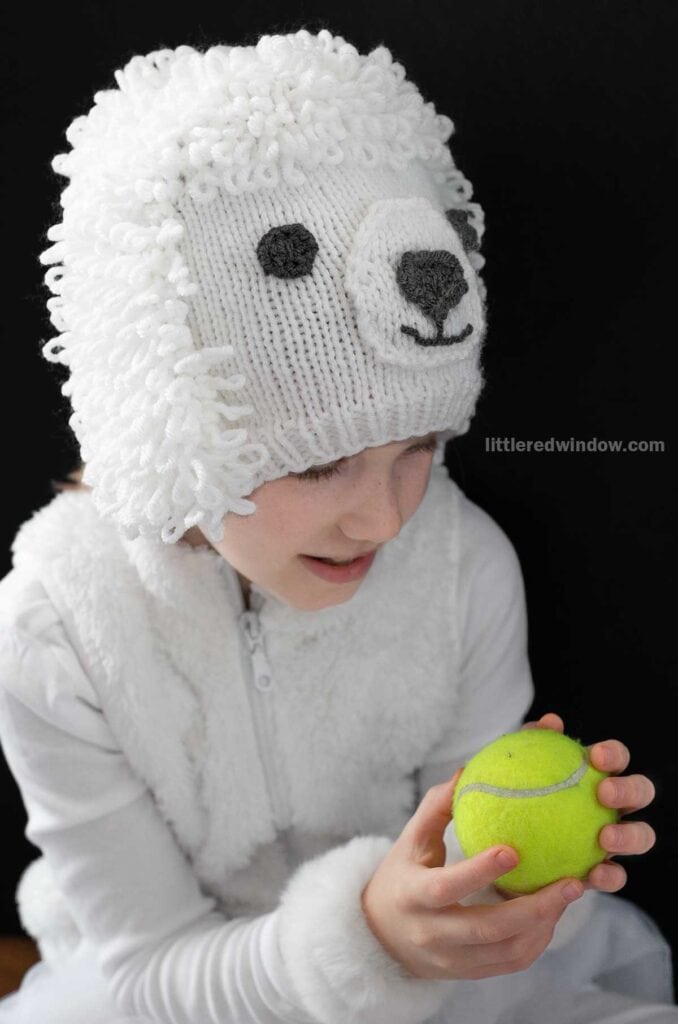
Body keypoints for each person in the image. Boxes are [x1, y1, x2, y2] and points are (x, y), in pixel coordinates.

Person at [0, 27, 675, 1024]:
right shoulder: (57, 626)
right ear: (173, 430)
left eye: (421, 445)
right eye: (319, 462)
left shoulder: (460, 567)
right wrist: (361, 934)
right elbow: (145, 970)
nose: (389, 514)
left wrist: (507, 892)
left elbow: (471, 884)